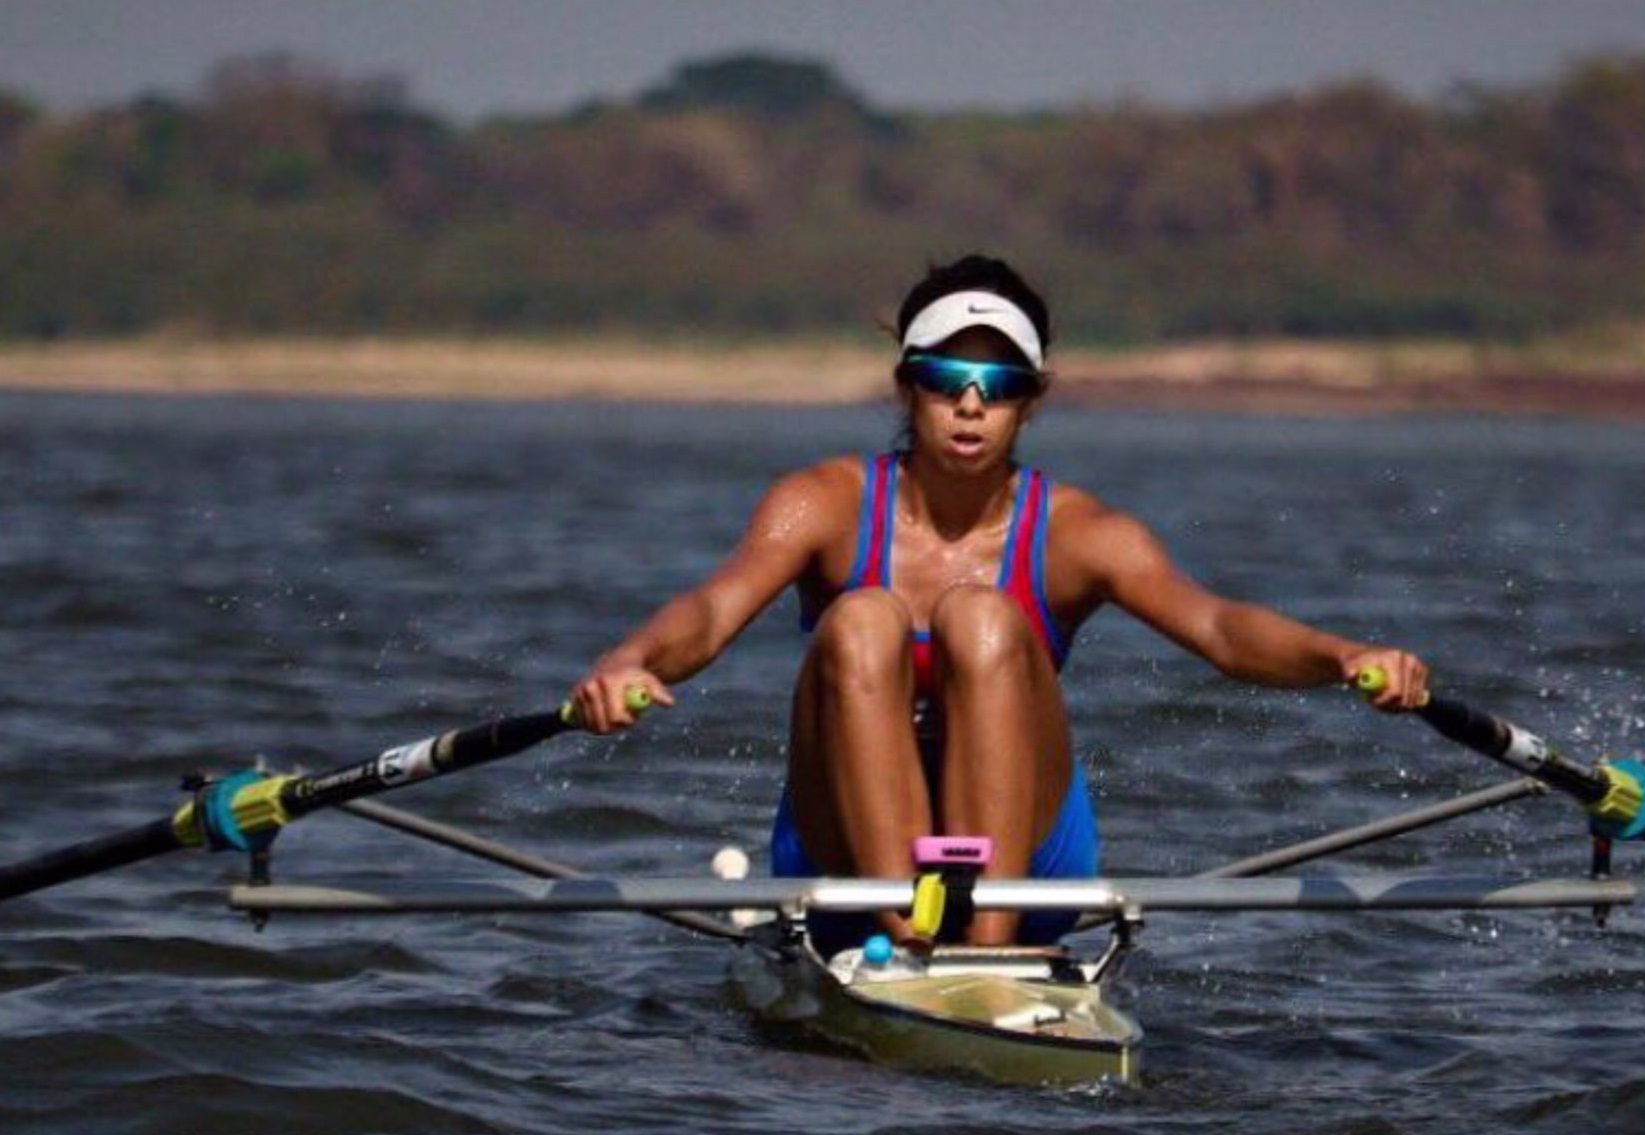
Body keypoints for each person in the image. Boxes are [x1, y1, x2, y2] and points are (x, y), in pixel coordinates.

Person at [570, 255, 1429, 952]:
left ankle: (978, 951)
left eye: (1000, 381)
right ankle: (909, 931)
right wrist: (628, 662)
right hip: (838, 864)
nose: (971, 402)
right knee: (864, 614)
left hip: (1028, 877)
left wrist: (1341, 655)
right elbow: (711, 613)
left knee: (978, 614)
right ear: (907, 386)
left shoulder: (1081, 532)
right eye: (946, 376)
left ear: (1031, 399)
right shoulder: (821, 504)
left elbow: (1220, 630)